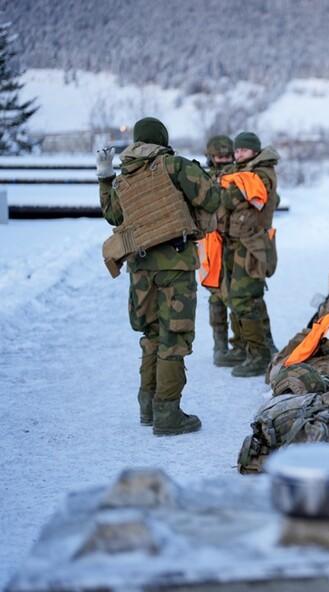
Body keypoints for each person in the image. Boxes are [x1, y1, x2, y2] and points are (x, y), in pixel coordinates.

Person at [98, 117, 220, 435]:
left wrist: (104, 178)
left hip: (140, 269)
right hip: (175, 265)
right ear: (162, 140)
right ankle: (168, 413)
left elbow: (113, 215)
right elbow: (212, 198)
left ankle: (148, 406)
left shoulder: (125, 177)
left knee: (151, 335)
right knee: (174, 338)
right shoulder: (174, 165)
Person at [218, 131, 280, 377]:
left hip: (251, 245)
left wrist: (225, 189)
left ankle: (259, 355)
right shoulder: (242, 173)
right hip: (235, 243)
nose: (238, 153)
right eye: (237, 150)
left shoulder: (261, 173)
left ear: (255, 151)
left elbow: (228, 198)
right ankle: (247, 346)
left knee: (245, 298)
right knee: (239, 296)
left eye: (243, 150)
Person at [199, 135, 245, 367]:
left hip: (236, 243)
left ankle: (241, 345)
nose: (224, 161)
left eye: (228, 156)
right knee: (216, 294)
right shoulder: (203, 178)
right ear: (210, 157)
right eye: (220, 157)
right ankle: (220, 346)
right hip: (211, 244)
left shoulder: (241, 176)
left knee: (239, 295)